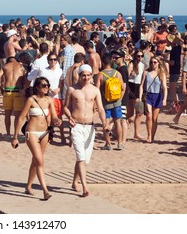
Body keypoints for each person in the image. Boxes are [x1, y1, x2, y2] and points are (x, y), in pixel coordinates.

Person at [12, 77, 60, 200]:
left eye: (47, 85)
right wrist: (15, 136)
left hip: (44, 133)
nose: (46, 87)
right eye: (43, 85)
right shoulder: (31, 100)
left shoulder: (49, 100)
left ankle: (28, 186)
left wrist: (57, 121)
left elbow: (53, 116)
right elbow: (21, 117)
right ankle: (45, 190)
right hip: (31, 132)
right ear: (37, 87)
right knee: (39, 161)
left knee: (36, 160)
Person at [64, 64, 107, 197]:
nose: (86, 78)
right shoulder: (72, 89)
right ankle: (85, 187)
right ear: (79, 75)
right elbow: (65, 107)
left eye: (88, 75)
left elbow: (100, 108)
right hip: (76, 125)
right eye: (84, 75)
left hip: (89, 126)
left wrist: (105, 123)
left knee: (83, 158)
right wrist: (69, 117)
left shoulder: (95, 90)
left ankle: (74, 182)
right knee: (80, 156)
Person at [96, 53, 124, 150]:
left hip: (105, 103)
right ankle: (120, 143)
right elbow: (123, 88)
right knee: (117, 122)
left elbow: (96, 90)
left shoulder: (101, 75)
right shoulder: (117, 73)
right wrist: (120, 99)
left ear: (103, 62)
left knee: (106, 123)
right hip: (116, 102)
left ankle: (108, 144)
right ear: (111, 62)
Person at [0, 56, 26, 139]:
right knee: (17, 116)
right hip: (18, 92)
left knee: (7, 114)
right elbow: (25, 78)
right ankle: (16, 134)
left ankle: (8, 134)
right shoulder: (21, 66)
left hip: (7, 91)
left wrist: (0, 88)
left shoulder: (5, 66)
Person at [139, 56, 167, 142]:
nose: (153, 64)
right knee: (149, 115)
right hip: (148, 96)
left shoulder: (161, 73)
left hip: (157, 96)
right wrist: (140, 98)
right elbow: (141, 85)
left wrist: (164, 99)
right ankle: (149, 135)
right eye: (151, 62)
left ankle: (153, 136)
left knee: (155, 118)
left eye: (155, 62)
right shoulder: (146, 72)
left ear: (158, 63)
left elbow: (165, 87)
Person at [127, 50, 146, 140]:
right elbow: (127, 77)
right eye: (138, 56)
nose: (140, 58)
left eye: (141, 56)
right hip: (131, 87)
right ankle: (113, 124)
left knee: (139, 112)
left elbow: (142, 81)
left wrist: (141, 94)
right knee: (130, 113)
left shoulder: (142, 65)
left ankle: (136, 133)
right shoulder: (131, 64)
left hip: (138, 87)